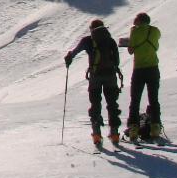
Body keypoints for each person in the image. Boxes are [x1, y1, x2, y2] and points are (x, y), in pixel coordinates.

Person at [65, 19, 123, 145]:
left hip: (95, 77)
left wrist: (69, 58)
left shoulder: (87, 40)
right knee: (112, 104)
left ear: (91, 29)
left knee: (95, 104)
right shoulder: (110, 40)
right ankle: (114, 134)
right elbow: (117, 61)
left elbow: (75, 52)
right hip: (110, 76)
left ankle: (96, 134)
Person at [125, 12, 162, 140]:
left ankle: (134, 128)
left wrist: (133, 32)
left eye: (136, 19)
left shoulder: (135, 32)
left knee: (135, 99)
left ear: (140, 20)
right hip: (153, 68)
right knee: (154, 99)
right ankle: (155, 127)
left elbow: (130, 50)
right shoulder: (155, 31)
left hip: (139, 69)